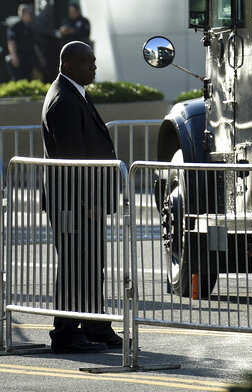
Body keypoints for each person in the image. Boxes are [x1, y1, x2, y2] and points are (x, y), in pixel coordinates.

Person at [41, 41, 122, 353]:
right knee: (75, 266)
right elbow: (73, 159)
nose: (94, 67)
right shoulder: (62, 100)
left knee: (91, 264)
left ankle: (95, 326)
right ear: (68, 65)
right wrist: (89, 203)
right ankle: (65, 334)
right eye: (87, 62)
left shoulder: (74, 93)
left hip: (83, 203)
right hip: (73, 205)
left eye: (94, 61)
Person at [7, 4, 41, 81]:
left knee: (28, 78)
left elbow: (34, 44)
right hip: (19, 58)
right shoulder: (15, 27)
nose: (31, 16)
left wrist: (40, 58)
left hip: (29, 58)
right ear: (23, 14)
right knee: (19, 79)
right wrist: (14, 56)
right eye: (30, 13)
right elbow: (11, 42)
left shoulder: (30, 28)